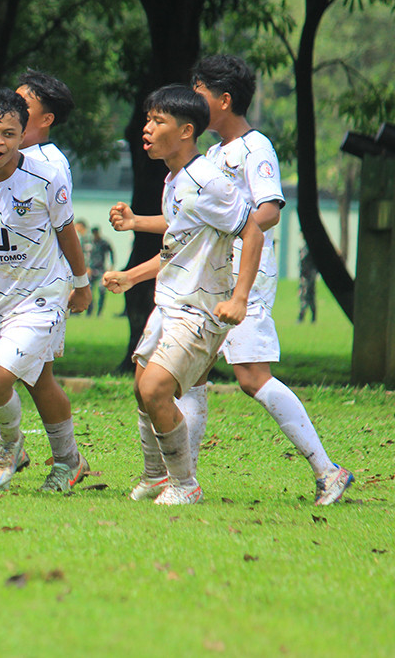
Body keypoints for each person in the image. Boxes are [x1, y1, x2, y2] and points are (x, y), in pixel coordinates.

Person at [112, 56, 352, 505]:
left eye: (198, 92)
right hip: (201, 282)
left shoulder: (254, 147)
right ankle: (182, 478)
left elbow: (264, 214)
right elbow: (184, 223)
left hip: (240, 280)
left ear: (222, 100)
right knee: (189, 381)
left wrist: (233, 240)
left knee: (251, 377)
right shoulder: (205, 158)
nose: (192, 101)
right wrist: (139, 230)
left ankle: (328, 470)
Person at [103, 84, 264, 505]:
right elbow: (181, 242)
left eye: (158, 121)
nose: (147, 128)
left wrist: (240, 299)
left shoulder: (209, 180)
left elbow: (252, 231)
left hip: (200, 308)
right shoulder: (175, 178)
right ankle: (157, 476)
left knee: (156, 387)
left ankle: (184, 483)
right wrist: (132, 275)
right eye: (148, 119)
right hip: (170, 302)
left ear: (187, 130)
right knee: (143, 386)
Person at [0, 70, 92, 493]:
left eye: (16, 118)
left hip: (39, 295)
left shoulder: (48, 169)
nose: (1, 137)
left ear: (34, 122)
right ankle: (35, 462)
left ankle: (14, 450)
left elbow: (66, 229)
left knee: (1, 380)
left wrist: (81, 282)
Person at [87, 227, 114, 316]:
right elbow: (87, 256)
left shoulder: (104, 243)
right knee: (89, 291)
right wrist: (87, 267)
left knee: (101, 290)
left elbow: (111, 253)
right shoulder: (90, 243)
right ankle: (89, 310)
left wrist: (111, 265)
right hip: (91, 269)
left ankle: (99, 311)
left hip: (101, 269)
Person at [298, 243, 317, 323]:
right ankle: (312, 318)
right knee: (307, 296)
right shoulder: (303, 248)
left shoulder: (309, 250)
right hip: (305, 276)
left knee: (307, 296)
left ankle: (302, 317)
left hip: (309, 276)